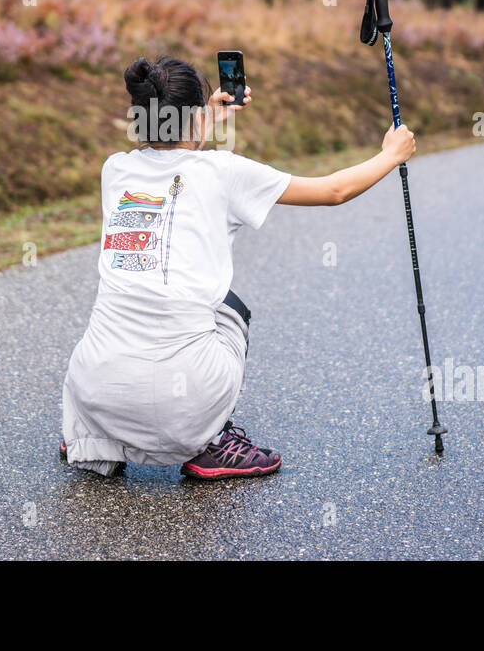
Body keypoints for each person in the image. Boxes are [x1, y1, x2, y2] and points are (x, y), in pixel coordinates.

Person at [60, 55, 416, 479]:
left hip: (95, 395)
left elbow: (171, 153)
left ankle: (96, 442)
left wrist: (204, 116)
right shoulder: (225, 172)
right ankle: (209, 442)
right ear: (193, 118)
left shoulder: (114, 170)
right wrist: (391, 155)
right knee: (228, 307)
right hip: (179, 408)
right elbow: (334, 190)